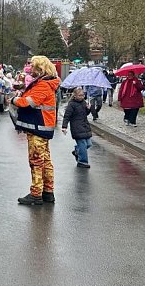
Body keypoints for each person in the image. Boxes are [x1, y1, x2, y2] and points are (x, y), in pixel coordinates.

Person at [10, 55, 60, 205]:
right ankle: (48, 192)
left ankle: (36, 194)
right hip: (42, 127)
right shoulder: (46, 83)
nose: (29, 68)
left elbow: (28, 103)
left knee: (36, 161)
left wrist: (14, 100)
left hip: (38, 127)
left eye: (32, 66)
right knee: (45, 161)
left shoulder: (43, 85)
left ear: (40, 68)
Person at [61, 86, 93, 167]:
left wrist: (88, 108)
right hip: (76, 127)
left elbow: (86, 113)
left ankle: (77, 151)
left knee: (88, 144)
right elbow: (67, 116)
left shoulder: (84, 102)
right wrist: (64, 127)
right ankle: (82, 161)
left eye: (83, 95)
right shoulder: (71, 104)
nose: (82, 97)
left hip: (85, 126)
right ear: (75, 96)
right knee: (83, 144)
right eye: (80, 95)